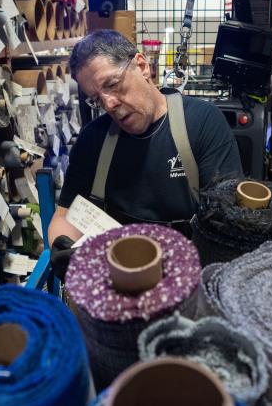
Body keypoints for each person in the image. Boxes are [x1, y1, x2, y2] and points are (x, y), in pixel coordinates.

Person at [47, 30, 243, 246]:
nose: (109, 104)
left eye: (112, 85)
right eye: (96, 100)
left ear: (141, 66)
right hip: (119, 267)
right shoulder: (93, 139)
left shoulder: (202, 123)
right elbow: (66, 216)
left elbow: (228, 219)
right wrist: (64, 248)